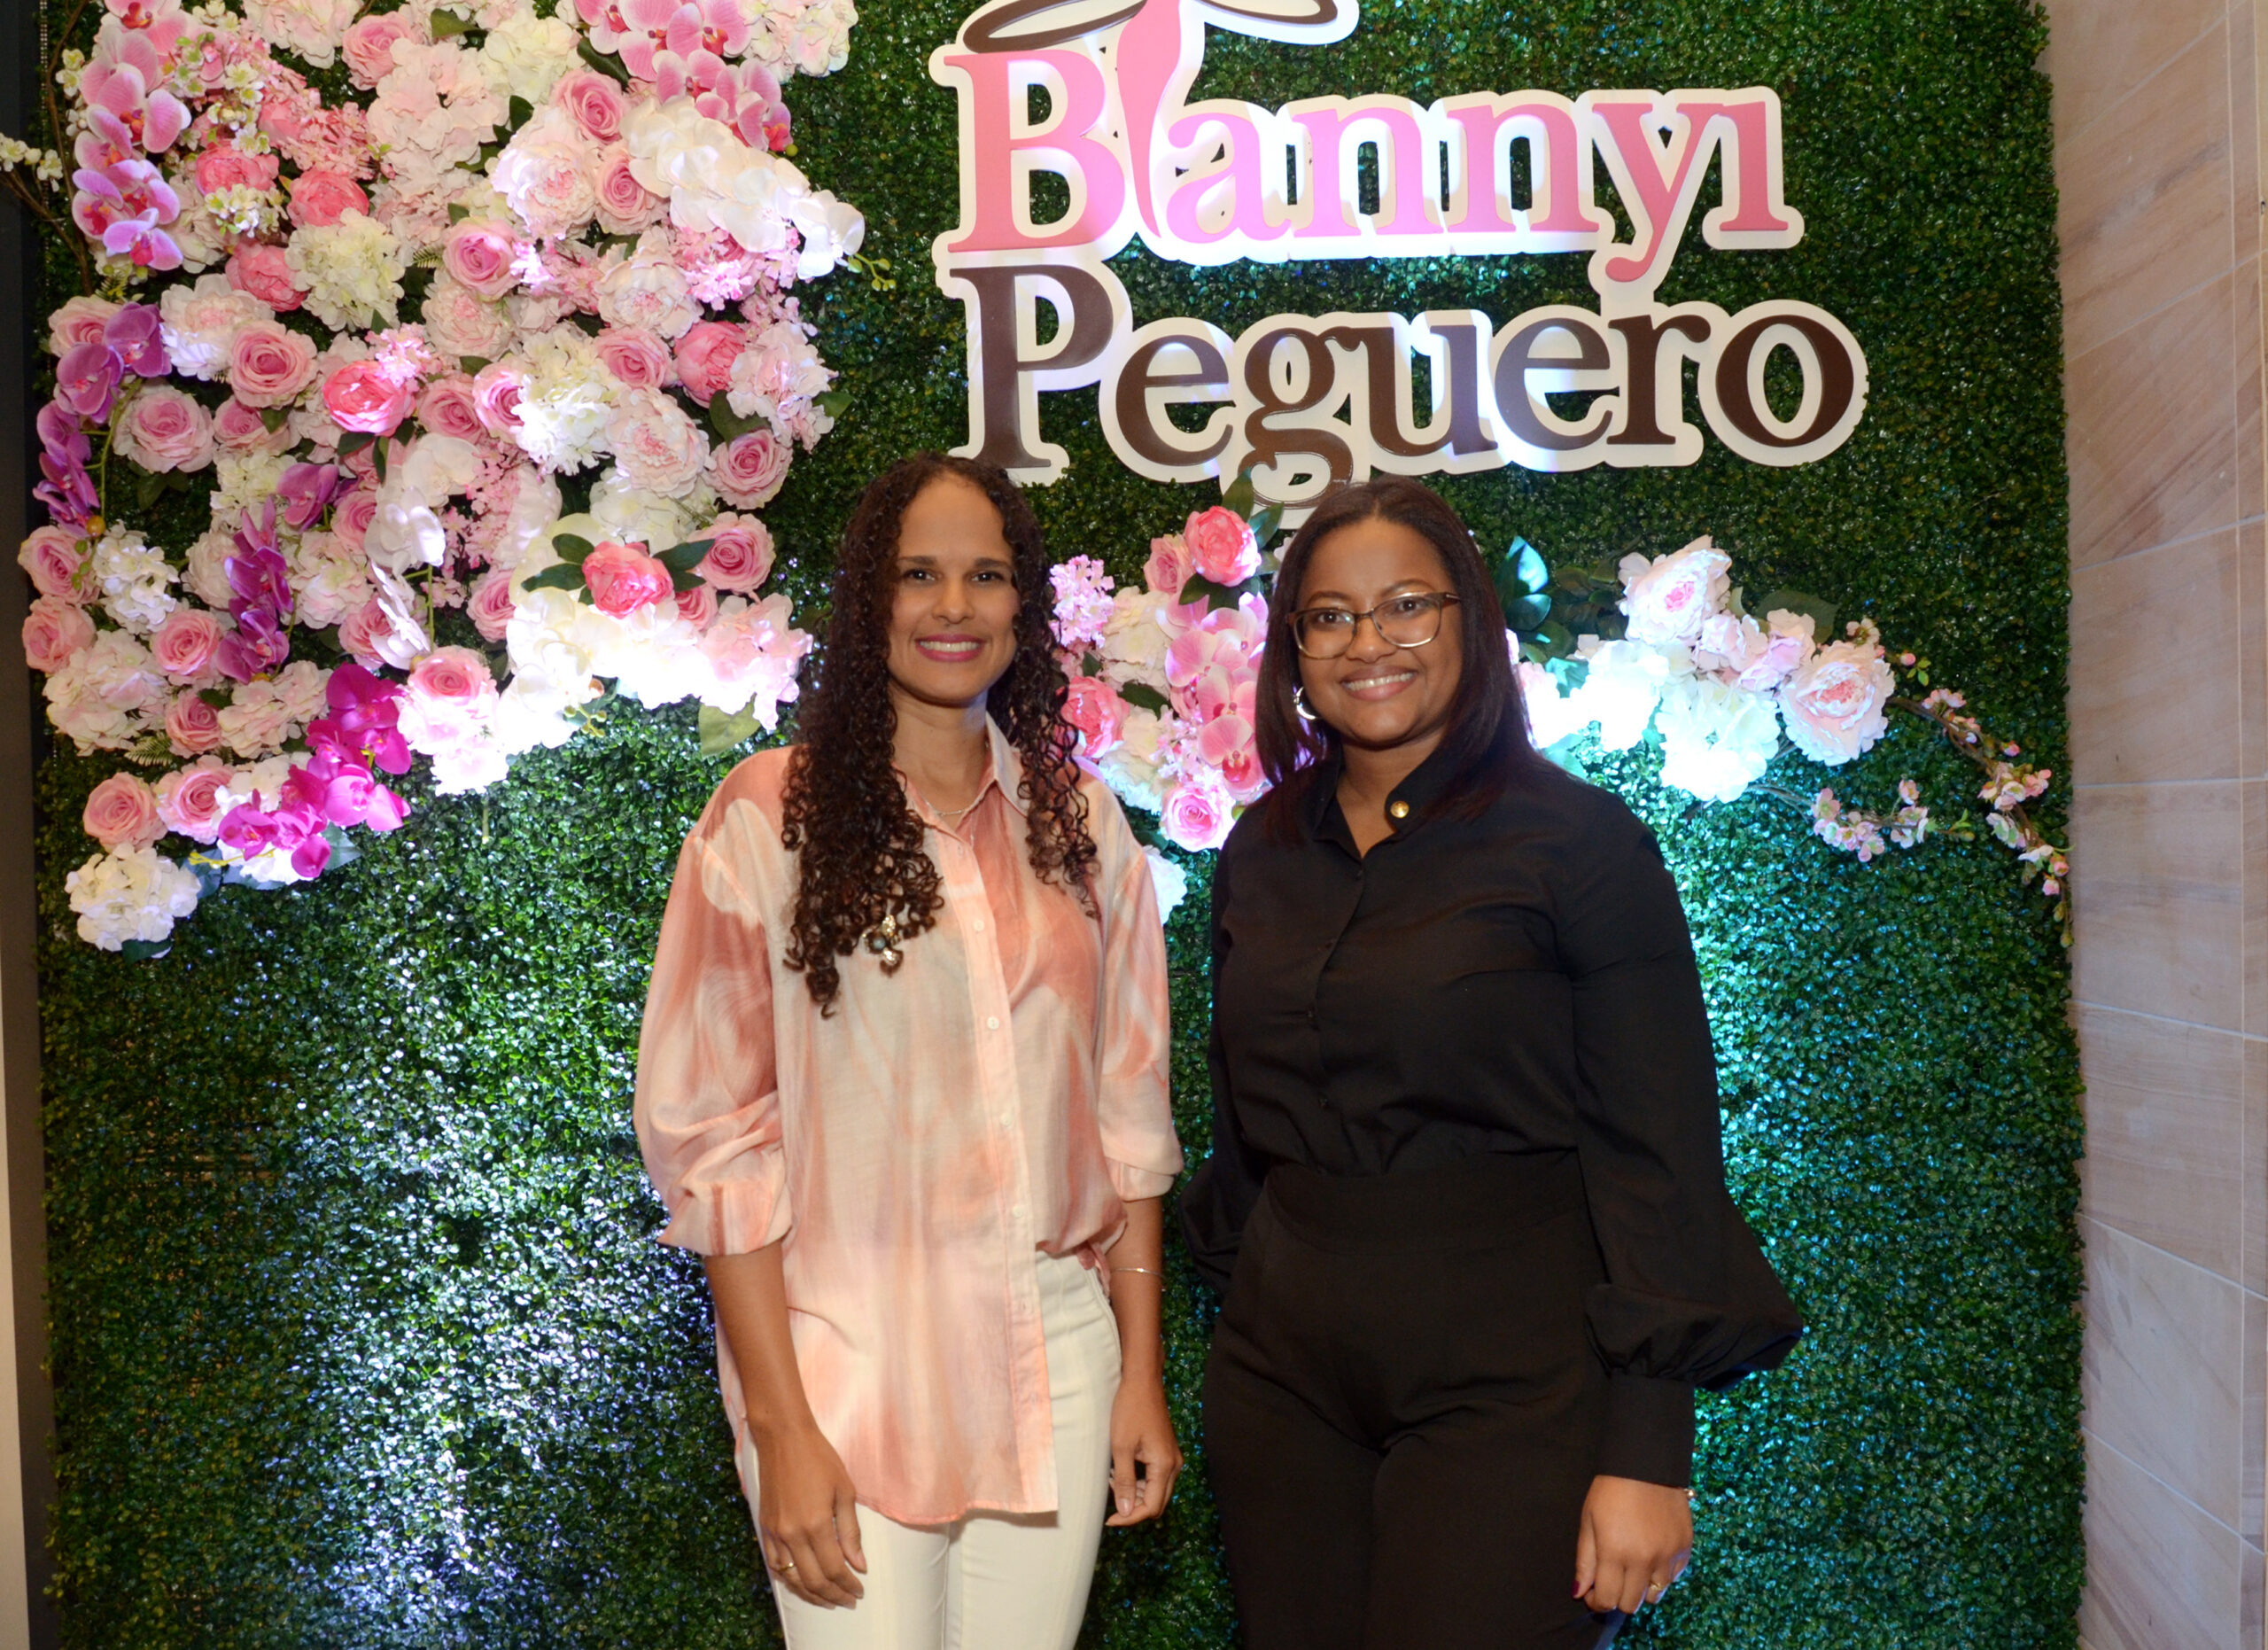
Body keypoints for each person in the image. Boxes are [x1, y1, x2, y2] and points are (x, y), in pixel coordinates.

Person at [1181, 477, 1803, 1650]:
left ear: (1470, 620)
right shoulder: (1261, 849)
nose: (1371, 642)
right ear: (1293, 648)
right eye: (1332, 615)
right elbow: (1240, 1117)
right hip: (1284, 1384)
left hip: (1519, 1379)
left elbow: (1659, 1149)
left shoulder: (1581, 844)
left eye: (1408, 605)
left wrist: (1648, 1448)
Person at [635, 453, 1186, 1650]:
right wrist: (780, 1426)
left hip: (1057, 1352)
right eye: (918, 574)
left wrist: (1141, 1372)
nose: (953, 606)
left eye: (985, 575)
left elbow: (1129, 1112)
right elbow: (716, 1144)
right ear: (867, 600)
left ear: (1023, 604)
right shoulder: (766, 816)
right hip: (844, 1364)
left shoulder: (1084, 824)